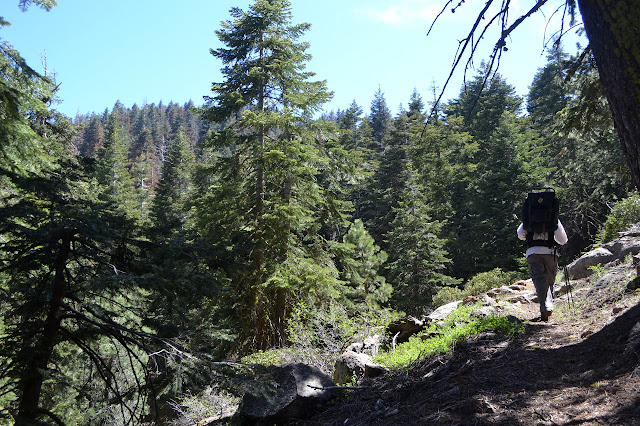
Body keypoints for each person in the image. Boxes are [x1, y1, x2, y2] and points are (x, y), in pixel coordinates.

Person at [517, 220, 568, 321]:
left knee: (539, 279)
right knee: (549, 281)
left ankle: (545, 307)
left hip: (533, 252)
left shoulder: (530, 216)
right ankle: (548, 306)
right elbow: (562, 240)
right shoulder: (554, 218)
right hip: (550, 252)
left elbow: (520, 235)